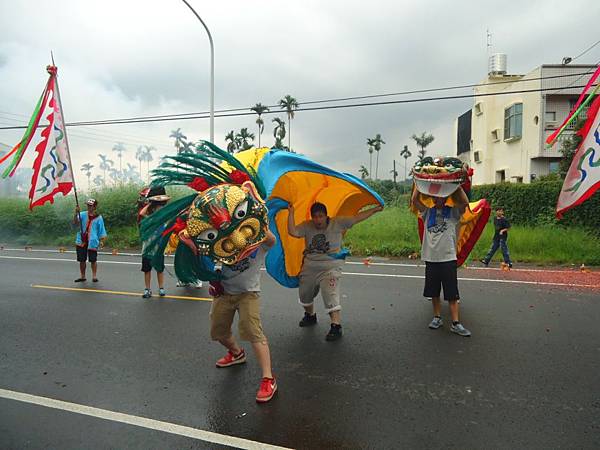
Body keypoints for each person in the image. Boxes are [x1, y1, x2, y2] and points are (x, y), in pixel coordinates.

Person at [287, 202, 383, 341]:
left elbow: (357, 218)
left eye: (320, 216)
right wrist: (291, 213)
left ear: (326, 216)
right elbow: (293, 232)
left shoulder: (338, 223)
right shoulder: (307, 226)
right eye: (315, 217)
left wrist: (375, 209)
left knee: (330, 294)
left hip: (330, 266)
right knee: (305, 295)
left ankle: (336, 326)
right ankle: (310, 316)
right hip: (310, 266)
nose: (318, 220)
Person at [210, 230, 278, 403]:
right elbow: (210, 262)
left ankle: (268, 379)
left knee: (252, 330)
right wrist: (212, 280)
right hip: (224, 293)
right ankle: (236, 354)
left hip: (249, 293)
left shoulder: (259, 242)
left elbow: (272, 240)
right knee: (218, 332)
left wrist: (254, 219)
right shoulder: (223, 239)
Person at [410, 186, 471, 337]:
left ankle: (456, 323)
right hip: (431, 258)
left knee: (452, 293)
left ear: (446, 198)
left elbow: (465, 202)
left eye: (442, 196)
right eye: (436, 197)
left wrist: (457, 186)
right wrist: (418, 184)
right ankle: (437, 317)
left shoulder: (452, 212)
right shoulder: (426, 212)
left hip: (448, 258)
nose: (439, 199)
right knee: (433, 291)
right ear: (432, 199)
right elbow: (414, 200)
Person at [139, 187, 170, 298]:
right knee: (147, 270)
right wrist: (150, 203)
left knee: (159, 269)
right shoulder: (149, 218)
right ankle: (147, 289)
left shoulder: (164, 217)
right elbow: (142, 213)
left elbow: (169, 209)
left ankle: (161, 288)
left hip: (158, 248)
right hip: (147, 247)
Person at [73, 198, 107, 283]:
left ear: (94, 207)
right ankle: (82, 276)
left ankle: (94, 276)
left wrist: (102, 240)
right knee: (82, 259)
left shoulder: (99, 218)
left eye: (90, 205)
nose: (89, 207)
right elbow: (75, 223)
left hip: (92, 241)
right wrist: (76, 213)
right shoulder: (82, 214)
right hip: (81, 240)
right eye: (88, 205)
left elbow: (101, 230)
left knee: (93, 259)